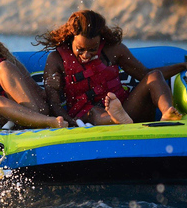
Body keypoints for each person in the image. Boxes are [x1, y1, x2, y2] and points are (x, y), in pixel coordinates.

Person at [35, 10, 186, 127]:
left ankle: (168, 113)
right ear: (71, 37)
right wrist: (70, 123)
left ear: (100, 38)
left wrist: (183, 65)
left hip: (126, 110)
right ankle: (115, 119)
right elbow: (54, 104)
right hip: (86, 117)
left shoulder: (114, 50)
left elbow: (145, 74)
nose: (86, 55)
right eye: (80, 49)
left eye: (93, 49)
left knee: (154, 75)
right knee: (93, 112)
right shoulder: (56, 59)